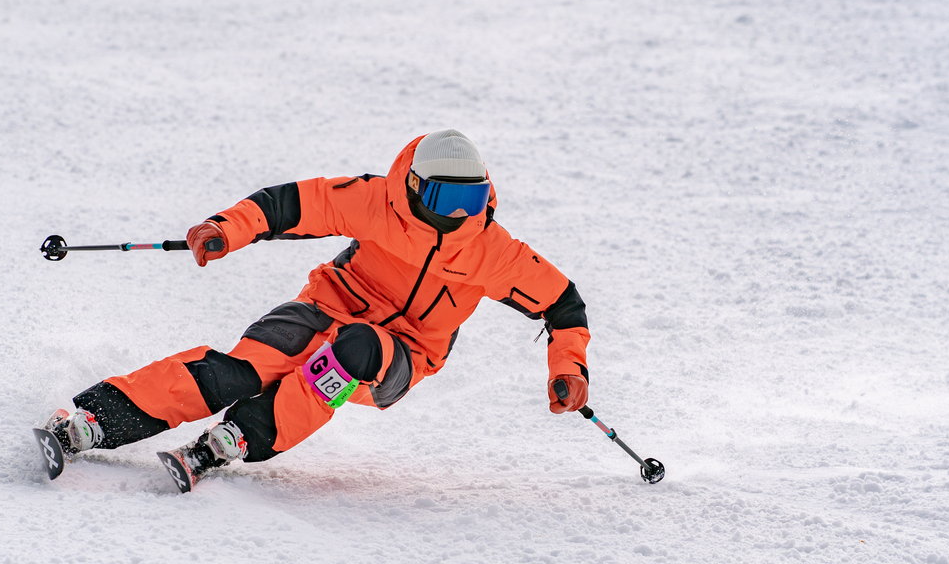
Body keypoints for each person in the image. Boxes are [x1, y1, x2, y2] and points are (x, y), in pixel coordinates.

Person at [41, 129, 590, 491]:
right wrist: (226, 229)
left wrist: (568, 368)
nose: (461, 215)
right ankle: (95, 421)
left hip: (399, 357)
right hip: (327, 305)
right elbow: (290, 204)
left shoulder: (494, 252)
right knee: (241, 370)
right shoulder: (379, 202)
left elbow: (563, 305)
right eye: (449, 201)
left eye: (474, 201)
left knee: (354, 350)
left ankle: (242, 435)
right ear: (417, 187)